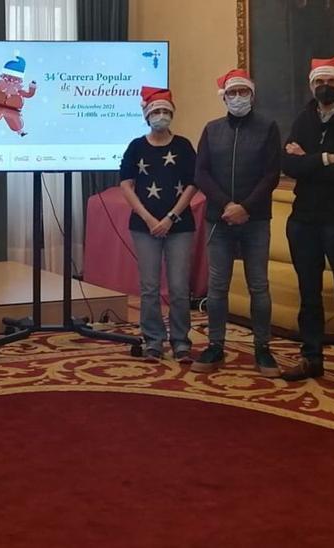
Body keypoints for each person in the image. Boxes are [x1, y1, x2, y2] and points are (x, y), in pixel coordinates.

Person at [279, 55, 334, 392]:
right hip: (303, 220)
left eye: (330, 82)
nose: (324, 87)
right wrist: (327, 159)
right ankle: (311, 355)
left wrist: (310, 162)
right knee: (309, 293)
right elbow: (288, 165)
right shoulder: (303, 119)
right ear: (312, 84)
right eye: (319, 82)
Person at [191, 68, 282, 376]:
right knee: (217, 287)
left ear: (252, 96)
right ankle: (215, 345)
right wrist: (227, 205)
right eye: (233, 93)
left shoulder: (268, 127)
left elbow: (272, 174)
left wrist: (245, 207)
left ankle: (263, 349)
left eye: (244, 93)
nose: (238, 98)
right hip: (220, 219)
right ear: (224, 97)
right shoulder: (212, 129)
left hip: (255, 219)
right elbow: (201, 172)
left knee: (259, 285)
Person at [118, 87, 198, 363]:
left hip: (180, 226)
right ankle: (153, 340)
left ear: (172, 114)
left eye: (165, 112)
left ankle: (180, 341)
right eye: (156, 112)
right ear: (147, 115)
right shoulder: (136, 146)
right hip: (144, 227)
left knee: (178, 286)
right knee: (149, 286)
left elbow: (192, 184)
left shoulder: (184, 146)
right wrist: (150, 219)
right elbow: (126, 185)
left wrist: (171, 218)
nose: (161, 116)